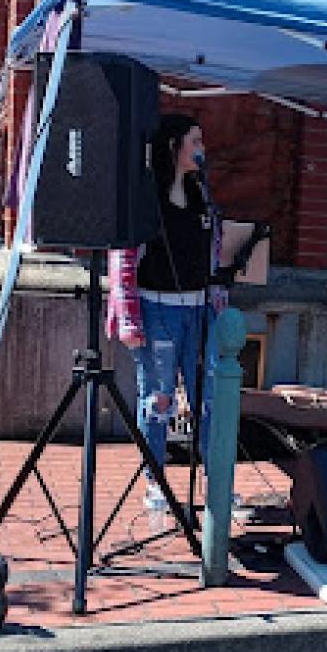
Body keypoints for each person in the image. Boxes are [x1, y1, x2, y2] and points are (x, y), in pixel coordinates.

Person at [106, 114, 220, 510]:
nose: (201, 148)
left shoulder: (201, 192)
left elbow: (212, 251)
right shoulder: (146, 197)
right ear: (173, 146)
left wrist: (216, 300)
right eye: (195, 140)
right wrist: (127, 317)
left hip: (198, 308)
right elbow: (123, 257)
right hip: (158, 307)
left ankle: (214, 478)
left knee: (207, 396)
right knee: (159, 396)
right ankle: (155, 480)